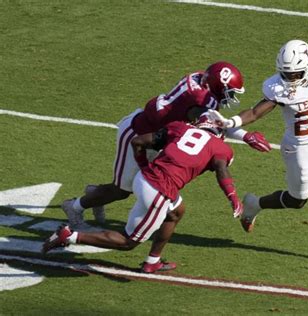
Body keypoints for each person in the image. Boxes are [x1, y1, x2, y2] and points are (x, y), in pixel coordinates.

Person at [62, 61, 271, 231]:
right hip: (138, 134)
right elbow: (216, 123)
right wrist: (245, 135)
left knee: (138, 184)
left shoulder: (199, 79)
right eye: (229, 92)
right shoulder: (204, 100)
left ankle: (96, 194)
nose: (231, 97)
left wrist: (244, 136)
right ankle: (75, 206)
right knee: (123, 190)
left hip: (156, 135)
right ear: (216, 85)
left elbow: (213, 121)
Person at [209, 40, 308, 257]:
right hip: (298, 148)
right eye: (286, 73)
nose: (289, 79)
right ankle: (255, 204)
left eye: (294, 73)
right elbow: (256, 112)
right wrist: (232, 122)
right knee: (298, 200)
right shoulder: (277, 87)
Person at [43, 115, 243, 272]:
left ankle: (152, 261)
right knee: (128, 241)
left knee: (176, 211)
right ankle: (69, 236)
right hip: (159, 191)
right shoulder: (220, 147)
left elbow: (138, 141)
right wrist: (233, 198)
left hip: (144, 178)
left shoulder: (181, 128)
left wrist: (143, 166)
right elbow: (221, 171)